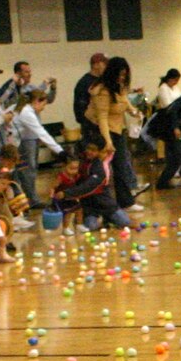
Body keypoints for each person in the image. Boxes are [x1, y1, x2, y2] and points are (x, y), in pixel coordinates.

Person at [88, 57, 141, 212]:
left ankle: (125, 202)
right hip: (105, 131)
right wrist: (108, 141)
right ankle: (99, 205)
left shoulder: (120, 86)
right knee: (102, 169)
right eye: (120, 74)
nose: (122, 77)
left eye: (125, 74)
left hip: (118, 129)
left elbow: (124, 101)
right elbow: (102, 117)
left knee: (122, 166)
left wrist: (134, 111)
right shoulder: (102, 91)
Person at [54, 136, 132, 231]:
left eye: (93, 150)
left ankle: (107, 217)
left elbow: (88, 186)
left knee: (124, 222)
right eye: (88, 148)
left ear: (99, 152)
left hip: (105, 203)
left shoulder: (99, 168)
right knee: (91, 226)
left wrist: (66, 193)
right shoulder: (81, 162)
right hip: (89, 207)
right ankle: (86, 219)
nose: (89, 152)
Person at [13, 90, 64, 209]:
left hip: (21, 142)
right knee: (27, 171)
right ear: (36, 101)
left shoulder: (27, 110)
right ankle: (31, 200)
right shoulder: (27, 113)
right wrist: (59, 150)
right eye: (43, 104)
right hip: (20, 144)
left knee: (23, 171)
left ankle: (24, 200)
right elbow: (41, 132)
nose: (43, 108)